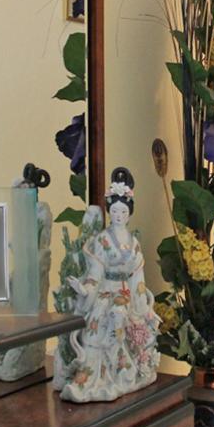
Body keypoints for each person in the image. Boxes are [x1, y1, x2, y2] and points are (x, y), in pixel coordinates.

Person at [58, 167, 160, 402]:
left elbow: (138, 278)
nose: (118, 215)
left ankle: (125, 375)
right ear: (109, 211)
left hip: (128, 295)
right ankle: (89, 379)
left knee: (125, 322)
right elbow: (95, 274)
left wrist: (142, 306)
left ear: (129, 213)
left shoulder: (133, 243)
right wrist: (85, 289)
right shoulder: (102, 240)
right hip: (105, 294)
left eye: (123, 211)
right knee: (96, 331)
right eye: (114, 211)